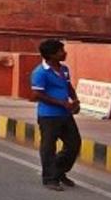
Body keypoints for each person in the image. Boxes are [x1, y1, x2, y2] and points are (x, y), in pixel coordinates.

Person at [30, 38, 80, 190]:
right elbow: (37, 94)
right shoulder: (40, 72)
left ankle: (59, 170)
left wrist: (75, 100)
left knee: (74, 144)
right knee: (48, 147)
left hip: (65, 114)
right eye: (61, 51)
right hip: (49, 115)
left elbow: (68, 86)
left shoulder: (64, 69)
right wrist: (61, 103)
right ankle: (50, 178)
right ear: (51, 55)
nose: (64, 53)